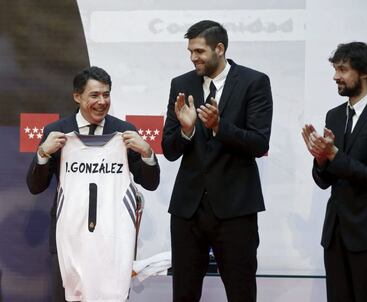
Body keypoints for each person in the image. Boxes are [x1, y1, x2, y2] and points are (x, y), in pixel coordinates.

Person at [26, 66, 160, 302]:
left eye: (106, 94)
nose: (102, 102)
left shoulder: (124, 132)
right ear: (77, 96)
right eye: (95, 95)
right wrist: (43, 154)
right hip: (70, 238)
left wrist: (147, 152)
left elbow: (150, 183)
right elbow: (35, 186)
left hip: (113, 238)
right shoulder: (57, 132)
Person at [162, 20, 273, 301]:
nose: (193, 58)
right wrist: (186, 131)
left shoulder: (254, 82)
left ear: (219, 49)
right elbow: (170, 149)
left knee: (241, 292)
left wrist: (219, 127)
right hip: (188, 211)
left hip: (236, 210)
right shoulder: (182, 83)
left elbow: (259, 144)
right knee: (184, 293)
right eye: (190, 51)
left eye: (199, 51)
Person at [302, 42, 367, 302]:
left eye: (343, 69)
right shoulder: (334, 115)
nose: (335, 76)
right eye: (335, 69)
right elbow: (323, 181)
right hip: (336, 233)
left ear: (365, 73)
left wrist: (334, 155)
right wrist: (320, 160)